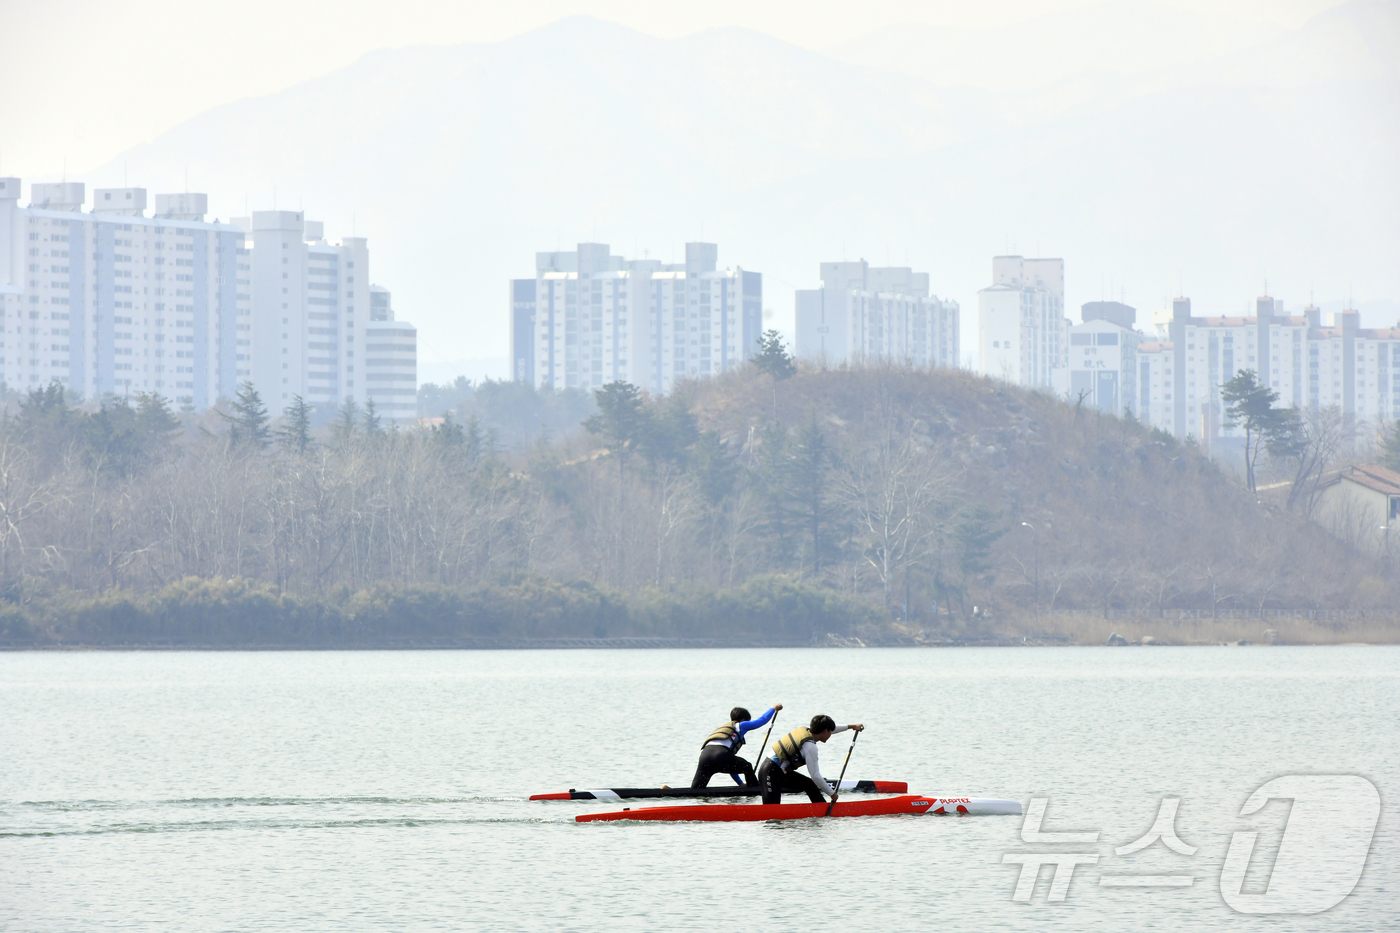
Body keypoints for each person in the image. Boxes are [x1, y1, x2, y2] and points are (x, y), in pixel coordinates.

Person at [757, 714, 864, 804]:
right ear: (824, 731)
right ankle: (822, 810)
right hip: (771, 772)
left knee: (808, 784)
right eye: (830, 732)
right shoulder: (810, 746)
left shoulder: (809, 731)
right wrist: (832, 794)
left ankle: (821, 808)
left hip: (773, 770)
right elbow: (816, 776)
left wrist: (852, 726)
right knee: (772, 812)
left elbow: (830, 728)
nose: (831, 734)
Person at [690, 703, 783, 788]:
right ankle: (754, 789)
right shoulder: (741, 725)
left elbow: (731, 766)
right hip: (721, 755)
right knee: (747, 767)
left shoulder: (724, 729)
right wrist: (773, 709)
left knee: (696, 790)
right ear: (743, 720)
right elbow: (761, 721)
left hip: (704, 757)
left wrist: (740, 784)